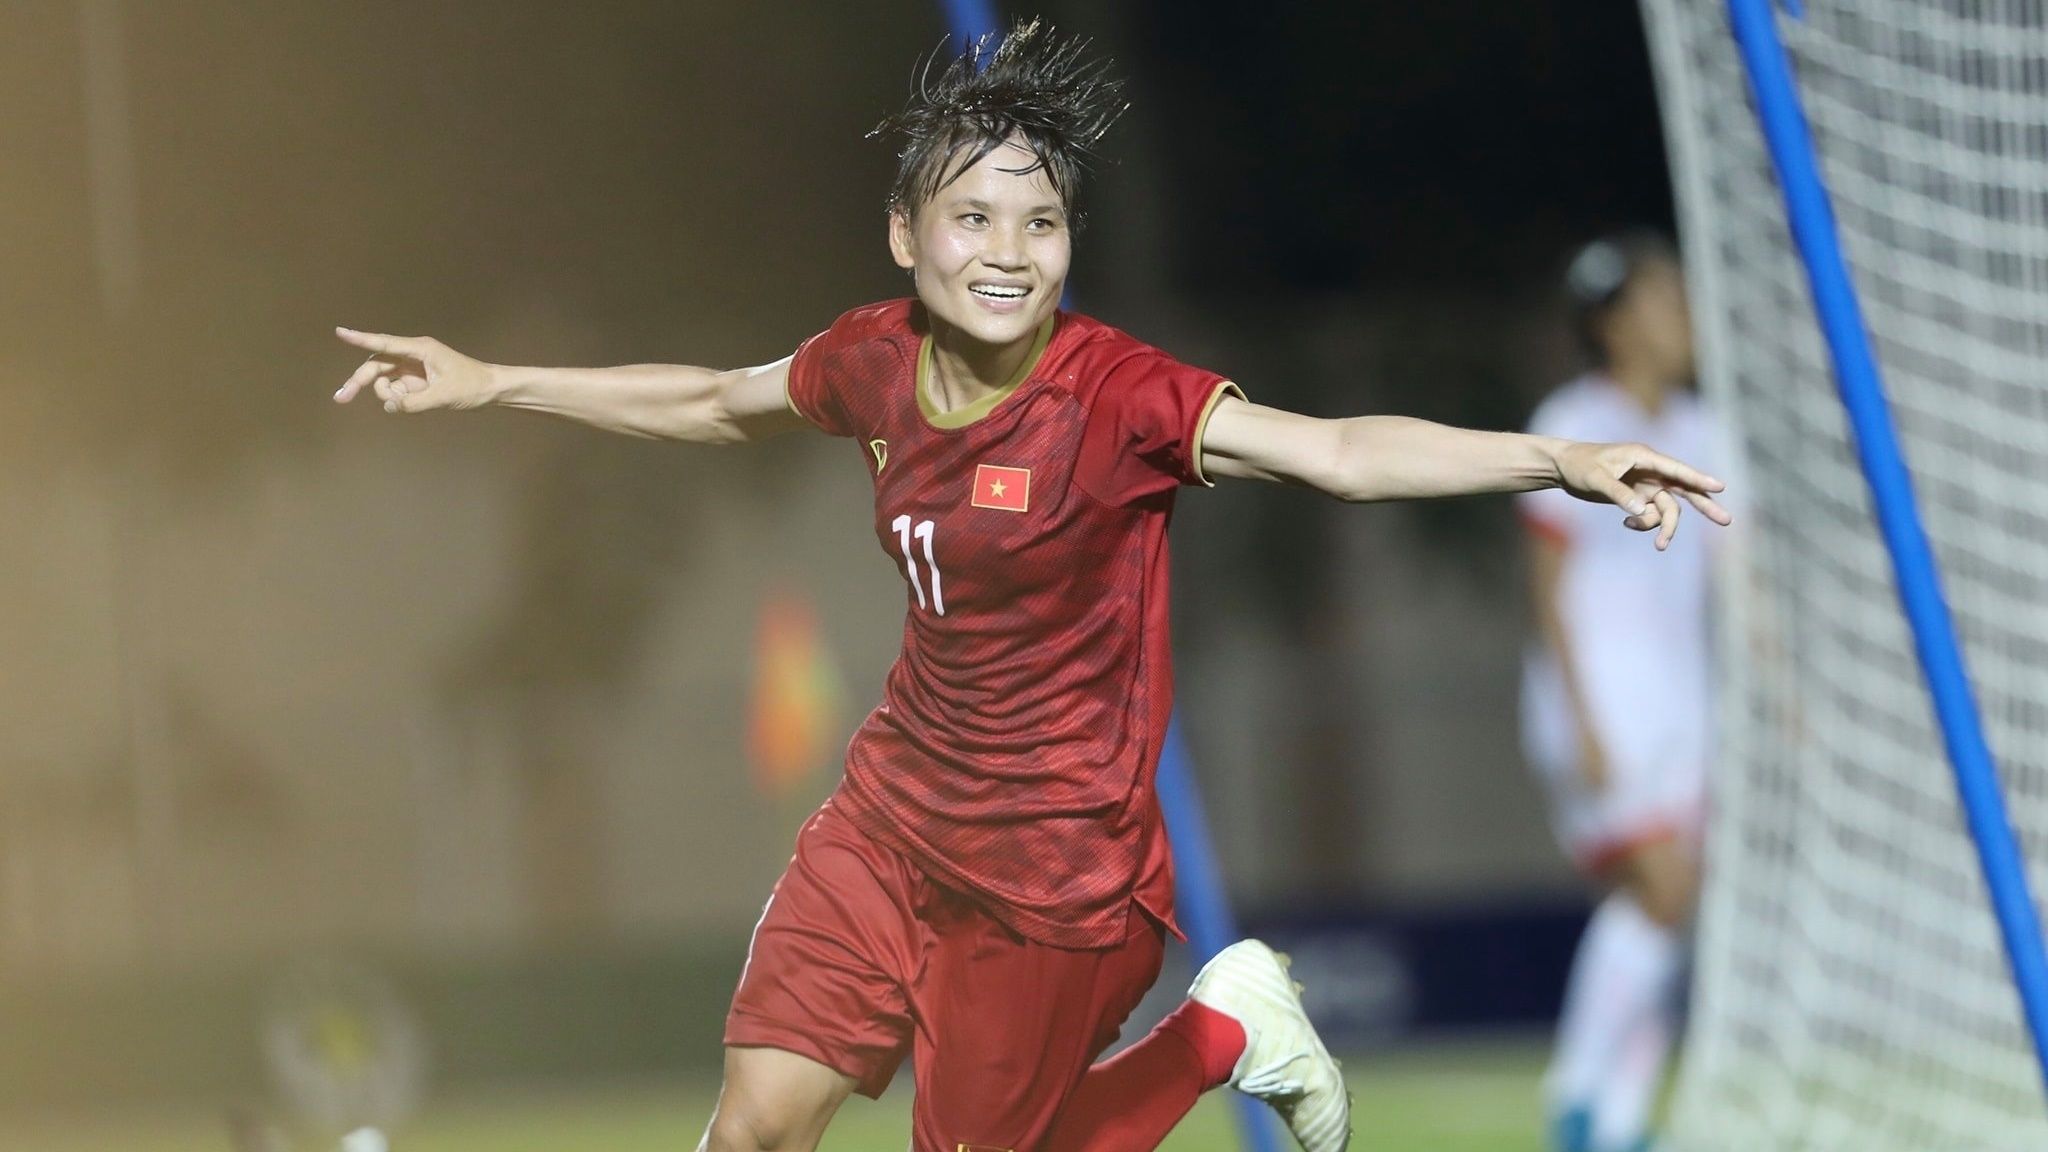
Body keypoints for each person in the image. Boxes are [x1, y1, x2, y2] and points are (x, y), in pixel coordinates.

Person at [332, 24, 1727, 1152]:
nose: (1009, 249)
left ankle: (1221, 1030)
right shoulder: (872, 359)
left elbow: (1342, 452)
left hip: (1063, 876)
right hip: (891, 820)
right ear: (904, 235)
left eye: (1042, 221)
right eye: (975, 216)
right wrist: (492, 379)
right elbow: (709, 397)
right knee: (753, 1126)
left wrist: (1562, 454)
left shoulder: (1116, 396)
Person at [1519, 232, 1720, 1152]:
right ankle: (1579, 1093)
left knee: (1664, 909)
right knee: (1662, 890)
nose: (1681, 319)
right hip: (1603, 700)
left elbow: (1731, 580)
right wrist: (1581, 716)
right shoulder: (1573, 421)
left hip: (1687, 706)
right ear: (1615, 322)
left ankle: (1618, 1117)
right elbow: (1548, 588)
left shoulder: (1703, 431)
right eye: (1662, 300)